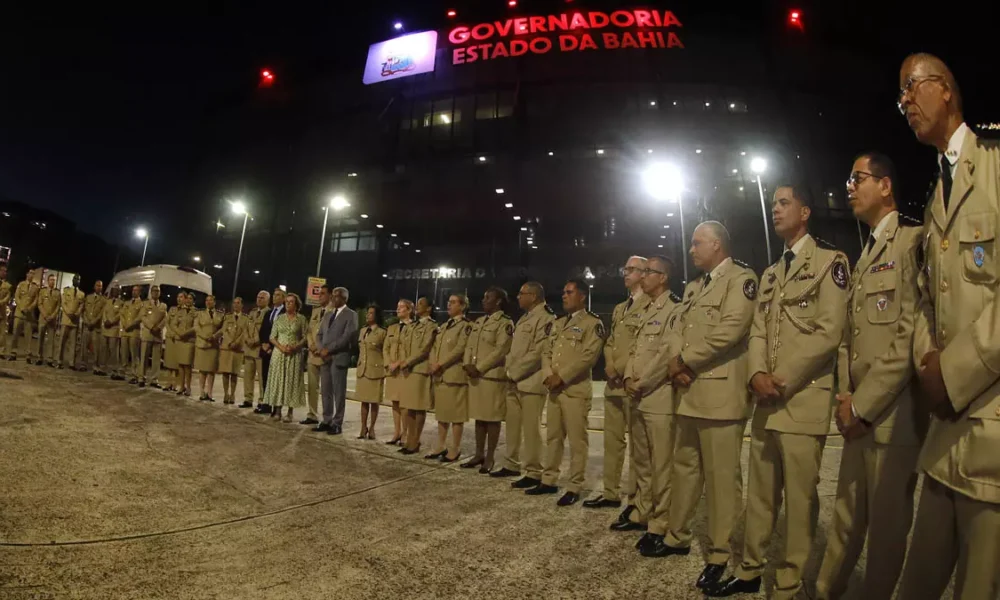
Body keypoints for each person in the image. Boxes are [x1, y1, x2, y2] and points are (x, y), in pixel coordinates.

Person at [706, 185, 849, 598]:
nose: (776, 210)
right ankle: (750, 570)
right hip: (767, 402)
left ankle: (788, 582)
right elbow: (756, 331)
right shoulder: (771, 273)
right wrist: (755, 375)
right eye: (773, 205)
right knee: (761, 495)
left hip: (802, 398)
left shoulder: (830, 261)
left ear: (805, 212)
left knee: (800, 501)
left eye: (784, 203)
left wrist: (778, 379)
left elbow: (829, 332)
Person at [897, 53, 1000, 600]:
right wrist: (926, 362)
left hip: (991, 435)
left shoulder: (996, 164)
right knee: (919, 582)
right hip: (945, 435)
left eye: (910, 87)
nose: (904, 102)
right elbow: (925, 298)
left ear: (945, 89)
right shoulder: (938, 189)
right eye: (900, 95)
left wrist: (952, 374)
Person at [811, 154, 924, 599]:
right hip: (857, 412)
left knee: (886, 528)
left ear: (886, 185)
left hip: (894, 416)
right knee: (846, 515)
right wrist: (846, 397)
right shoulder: (865, 254)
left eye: (858, 178)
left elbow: (910, 336)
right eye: (849, 179)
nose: (849, 187)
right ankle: (826, 590)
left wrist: (862, 405)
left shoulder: (913, 241)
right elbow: (848, 338)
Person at [652, 224, 757, 580]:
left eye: (697, 243)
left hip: (721, 395)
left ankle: (719, 554)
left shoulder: (741, 279)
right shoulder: (694, 287)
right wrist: (675, 362)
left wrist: (685, 361)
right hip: (690, 391)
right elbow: (676, 329)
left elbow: (732, 330)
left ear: (716, 244)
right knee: (685, 469)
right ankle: (677, 536)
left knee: (721, 478)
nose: (691, 249)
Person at [619, 256, 682, 551]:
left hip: (659, 395)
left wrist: (641, 382)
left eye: (648, 272)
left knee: (662, 465)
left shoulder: (675, 308)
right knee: (642, 462)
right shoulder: (647, 309)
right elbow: (635, 349)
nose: (642, 276)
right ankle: (642, 511)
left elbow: (666, 353)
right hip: (638, 395)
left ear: (663, 277)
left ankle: (661, 521)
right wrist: (627, 377)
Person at [526, 279, 605, 507]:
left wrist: (562, 376)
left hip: (574, 391)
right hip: (555, 390)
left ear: (582, 296)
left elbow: (589, 356)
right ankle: (549, 479)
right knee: (553, 437)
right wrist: (548, 374)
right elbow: (546, 352)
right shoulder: (558, 323)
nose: (564, 295)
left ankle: (574, 486)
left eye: (569, 292)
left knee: (577, 442)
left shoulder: (592, 323)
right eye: (563, 292)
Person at [584, 256, 650, 510]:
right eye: (625, 268)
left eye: (631, 269)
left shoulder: (650, 305)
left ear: (644, 273)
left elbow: (641, 345)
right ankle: (610, 492)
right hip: (613, 384)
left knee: (638, 447)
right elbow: (610, 342)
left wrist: (620, 369)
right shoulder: (621, 308)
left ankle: (635, 499)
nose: (625, 272)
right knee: (612, 442)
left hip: (633, 383)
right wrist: (609, 364)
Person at [494, 282, 556, 486]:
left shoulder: (546, 318)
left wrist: (515, 373)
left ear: (534, 296)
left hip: (531, 382)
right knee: (512, 427)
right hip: (514, 381)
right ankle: (511, 463)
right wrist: (509, 372)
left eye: (522, 293)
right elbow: (515, 350)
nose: (518, 297)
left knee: (531, 430)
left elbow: (539, 352)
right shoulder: (525, 318)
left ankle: (533, 471)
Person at [462, 287, 514, 473]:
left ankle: (490, 456)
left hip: (492, 377)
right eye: (484, 297)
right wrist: (467, 364)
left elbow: (501, 350)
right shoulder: (479, 321)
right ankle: (479, 454)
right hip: (476, 377)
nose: (484, 300)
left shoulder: (505, 323)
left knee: (492, 419)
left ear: (498, 301)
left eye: (488, 297)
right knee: (479, 417)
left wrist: (479, 368)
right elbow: (469, 346)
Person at [427, 293, 472, 462]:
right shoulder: (444, 326)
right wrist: (433, 363)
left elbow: (460, 348)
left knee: (456, 415)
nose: (449, 305)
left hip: (454, 375)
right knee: (442, 413)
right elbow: (434, 346)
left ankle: (455, 448)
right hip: (440, 375)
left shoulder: (466, 326)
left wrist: (440, 364)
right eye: (448, 302)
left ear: (462, 306)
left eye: (453, 302)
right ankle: (441, 445)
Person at [315, 286, 358, 435]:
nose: (333, 298)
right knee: (325, 390)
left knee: (339, 393)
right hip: (325, 358)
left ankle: (337, 422)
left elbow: (347, 337)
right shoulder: (328, 314)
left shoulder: (351, 315)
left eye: (336, 296)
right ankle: (327, 420)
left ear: (344, 298)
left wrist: (329, 349)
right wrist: (321, 349)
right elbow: (319, 335)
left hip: (338, 357)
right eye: (332, 295)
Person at [398, 297, 437, 454]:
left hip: (420, 369)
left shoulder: (431, 326)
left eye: (421, 304)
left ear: (428, 308)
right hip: (408, 370)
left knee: (419, 407)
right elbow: (403, 345)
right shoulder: (412, 325)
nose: (417, 306)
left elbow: (425, 349)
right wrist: (404, 361)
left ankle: (415, 440)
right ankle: (409, 439)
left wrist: (408, 361)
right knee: (409, 407)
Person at [263, 292, 308, 422]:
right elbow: (272, 337)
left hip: (294, 355)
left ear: (296, 305)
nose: (288, 304)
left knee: (291, 382)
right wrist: (281, 347)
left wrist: (296, 346)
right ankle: (277, 411)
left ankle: (290, 412)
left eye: (291, 302)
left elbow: (305, 337)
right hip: (279, 354)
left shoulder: (301, 319)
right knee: (278, 381)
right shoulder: (279, 318)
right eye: (286, 302)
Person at [383, 299, 415, 444]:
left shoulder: (414, 327)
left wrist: (400, 363)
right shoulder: (392, 328)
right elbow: (386, 348)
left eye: (401, 307)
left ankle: (406, 433)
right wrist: (388, 363)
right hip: (392, 370)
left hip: (404, 370)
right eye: (397, 307)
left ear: (409, 310)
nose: (398, 309)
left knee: (404, 403)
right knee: (394, 402)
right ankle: (397, 432)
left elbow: (413, 350)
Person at [356, 304, 386, 439]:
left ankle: (372, 428)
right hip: (363, 369)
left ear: (377, 316)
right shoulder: (363, 331)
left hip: (375, 370)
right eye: (367, 313)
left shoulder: (382, 332)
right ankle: (363, 427)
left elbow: (385, 351)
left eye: (371, 313)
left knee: (374, 401)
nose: (368, 315)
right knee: (363, 401)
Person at [255, 288, 286, 414]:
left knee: (276, 379)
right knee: (265, 377)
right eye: (274, 295)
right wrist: (264, 344)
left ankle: (275, 406)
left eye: (278, 295)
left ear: (283, 298)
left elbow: (283, 333)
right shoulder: (268, 312)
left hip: (277, 350)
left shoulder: (285, 312)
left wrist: (272, 347)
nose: (274, 297)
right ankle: (266, 404)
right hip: (265, 351)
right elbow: (263, 330)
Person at [304, 287, 331, 425]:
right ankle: (312, 414)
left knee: (326, 389)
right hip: (312, 354)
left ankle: (328, 418)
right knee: (312, 386)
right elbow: (309, 331)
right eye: (319, 294)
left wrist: (319, 347)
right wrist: (311, 345)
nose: (319, 296)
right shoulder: (315, 311)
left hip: (325, 354)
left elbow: (332, 334)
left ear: (330, 295)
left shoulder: (334, 312)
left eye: (323, 294)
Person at [240, 290, 268, 409]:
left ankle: (262, 400)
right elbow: (245, 328)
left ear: (267, 300)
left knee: (261, 377)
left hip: (259, 349)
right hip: (249, 349)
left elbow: (265, 331)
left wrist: (255, 341)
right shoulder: (252, 312)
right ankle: (248, 399)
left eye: (262, 298)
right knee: (248, 376)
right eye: (258, 297)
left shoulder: (268, 313)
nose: (259, 299)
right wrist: (247, 339)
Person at [194, 294, 223, 401]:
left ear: (214, 302)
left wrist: (215, 336)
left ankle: (210, 393)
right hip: (202, 344)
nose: (208, 302)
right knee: (202, 370)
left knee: (211, 370)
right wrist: (205, 336)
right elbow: (196, 327)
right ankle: (202, 392)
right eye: (207, 300)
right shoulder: (200, 313)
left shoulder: (220, 314)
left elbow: (223, 328)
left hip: (213, 345)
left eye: (210, 300)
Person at [138, 285, 167, 388]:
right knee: (144, 357)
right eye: (154, 291)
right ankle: (141, 378)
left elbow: (165, 319)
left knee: (156, 359)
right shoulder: (145, 304)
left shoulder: (163, 306)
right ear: (151, 292)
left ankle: (154, 379)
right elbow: (143, 317)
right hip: (148, 333)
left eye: (158, 291)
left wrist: (158, 328)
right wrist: (151, 327)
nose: (156, 293)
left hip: (158, 335)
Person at [218, 297, 246, 404]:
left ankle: (233, 394)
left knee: (234, 373)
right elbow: (224, 330)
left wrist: (236, 342)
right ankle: (226, 393)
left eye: (238, 303)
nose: (235, 305)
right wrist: (230, 341)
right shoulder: (228, 317)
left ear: (242, 305)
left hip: (237, 349)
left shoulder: (245, 318)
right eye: (234, 303)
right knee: (225, 372)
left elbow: (244, 332)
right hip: (227, 347)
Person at [10, 268, 39, 362]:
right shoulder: (21, 284)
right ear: (27, 274)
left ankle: (28, 354)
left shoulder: (35, 287)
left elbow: (36, 300)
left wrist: (30, 308)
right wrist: (21, 307)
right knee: (15, 333)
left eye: (33, 274)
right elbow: (16, 296)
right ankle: (13, 352)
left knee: (28, 336)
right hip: (19, 313)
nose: (31, 275)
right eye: (30, 273)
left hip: (29, 315)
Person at [57, 274, 85, 369]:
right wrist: (69, 313)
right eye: (75, 279)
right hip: (66, 319)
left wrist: (76, 314)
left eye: (79, 279)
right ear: (72, 280)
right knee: (62, 342)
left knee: (73, 343)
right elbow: (63, 303)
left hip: (74, 321)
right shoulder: (66, 290)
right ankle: (59, 361)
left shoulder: (81, 294)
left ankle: (71, 363)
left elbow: (81, 306)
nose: (77, 281)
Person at [173, 292, 197, 396]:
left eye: (191, 299)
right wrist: (179, 333)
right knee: (180, 365)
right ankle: (181, 386)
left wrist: (185, 334)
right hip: (180, 340)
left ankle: (188, 387)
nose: (188, 300)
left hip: (189, 341)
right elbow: (174, 324)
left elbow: (195, 327)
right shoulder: (180, 311)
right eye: (187, 298)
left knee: (187, 366)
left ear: (194, 301)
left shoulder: (196, 312)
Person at [79, 280, 105, 373]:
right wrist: (86, 321)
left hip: (96, 327)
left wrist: (93, 322)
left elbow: (101, 313)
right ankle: (83, 364)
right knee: (84, 346)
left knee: (96, 348)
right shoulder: (88, 297)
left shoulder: (103, 300)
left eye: (100, 286)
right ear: (94, 287)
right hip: (87, 325)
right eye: (97, 285)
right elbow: (84, 310)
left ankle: (95, 366)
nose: (99, 287)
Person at [36, 273, 61, 367]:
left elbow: (58, 306)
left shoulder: (57, 293)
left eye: (54, 280)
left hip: (52, 320)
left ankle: (50, 359)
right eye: (51, 280)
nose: (52, 282)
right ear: (48, 281)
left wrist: (53, 316)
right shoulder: (42, 291)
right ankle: (39, 357)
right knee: (40, 339)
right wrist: (45, 315)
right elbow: (39, 303)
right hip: (43, 318)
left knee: (51, 340)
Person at [120, 285, 144, 383]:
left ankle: (135, 374)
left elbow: (140, 317)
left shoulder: (142, 304)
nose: (134, 292)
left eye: (136, 290)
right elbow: (122, 314)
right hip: (125, 331)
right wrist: (125, 324)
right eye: (133, 290)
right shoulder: (127, 303)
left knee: (134, 354)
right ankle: (123, 372)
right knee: (124, 353)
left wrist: (130, 325)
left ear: (140, 292)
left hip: (134, 331)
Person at [99, 285, 123, 378]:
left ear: (119, 292)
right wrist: (105, 321)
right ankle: (102, 367)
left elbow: (120, 314)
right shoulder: (108, 301)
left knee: (113, 350)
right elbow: (104, 312)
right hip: (105, 328)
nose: (115, 292)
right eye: (113, 290)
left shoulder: (121, 303)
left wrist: (111, 321)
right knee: (103, 349)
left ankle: (114, 369)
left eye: (117, 290)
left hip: (114, 328)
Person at [161, 294, 181, 392]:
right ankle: (168, 383)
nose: (179, 299)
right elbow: (167, 321)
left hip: (178, 338)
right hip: (170, 337)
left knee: (176, 364)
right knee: (169, 362)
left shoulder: (185, 311)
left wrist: (176, 333)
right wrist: (170, 332)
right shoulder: (172, 309)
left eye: (181, 297)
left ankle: (174, 384)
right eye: (178, 297)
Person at [0, 262, 12, 360]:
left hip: (2, 311)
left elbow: (8, 296)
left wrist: (2, 301)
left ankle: (1, 351)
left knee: (2, 333)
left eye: (5, 271)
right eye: (2, 270)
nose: (4, 273)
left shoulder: (7, 285)